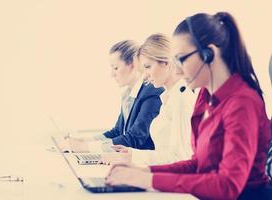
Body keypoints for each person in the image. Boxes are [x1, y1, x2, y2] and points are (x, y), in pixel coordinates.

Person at [105, 12, 271, 200]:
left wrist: (149, 180)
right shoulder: (205, 97)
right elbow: (197, 163)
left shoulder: (242, 102)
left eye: (181, 59)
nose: (176, 69)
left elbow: (228, 186)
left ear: (209, 54)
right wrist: (144, 171)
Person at [100, 33, 195, 165]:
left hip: (167, 180)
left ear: (166, 63)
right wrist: (131, 154)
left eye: (147, 67)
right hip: (160, 174)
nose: (145, 76)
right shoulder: (168, 98)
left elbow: (180, 158)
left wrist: (133, 157)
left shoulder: (181, 98)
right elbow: (164, 153)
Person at [61, 40, 164, 153]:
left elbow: (135, 138)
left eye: (115, 68)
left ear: (133, 65)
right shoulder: (128, 95)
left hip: (142, 162)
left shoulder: (152, 92)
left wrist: (86, 148)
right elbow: (117, 131)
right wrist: (83, 141)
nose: (112, 74)